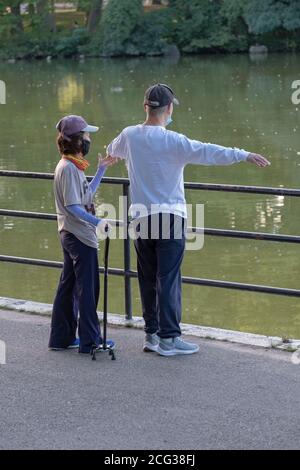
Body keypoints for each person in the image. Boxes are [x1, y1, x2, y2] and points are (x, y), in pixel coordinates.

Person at [107, 83, 271, 357]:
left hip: (141, 217)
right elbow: (209, 152)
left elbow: (113, 150)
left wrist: (116, 157)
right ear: (169, 108)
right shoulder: (174, 141)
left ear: (145, 107)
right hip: (169, 216)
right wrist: (244, 154)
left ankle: (152, 335)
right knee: (168, 278)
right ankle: (170, 339)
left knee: (147, 277)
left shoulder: (130, 135)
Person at [48, 115, 117, 354]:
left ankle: (61, 338)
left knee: (68, 287)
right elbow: (73, 207)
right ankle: (90, 341)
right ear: (77, 140)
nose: (89, 139)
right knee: (87, 290)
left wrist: (101, 171)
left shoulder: (71, 165)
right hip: (78, 236)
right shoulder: (68, 168)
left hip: (70, 234)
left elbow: (84, 196)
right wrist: (99, 222)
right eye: (86, 135)